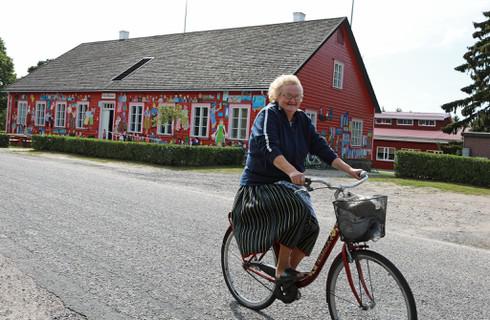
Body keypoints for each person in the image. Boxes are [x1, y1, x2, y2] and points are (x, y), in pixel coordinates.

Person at [230, 75, 363, 291]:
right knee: (297, 209)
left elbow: (321, 147)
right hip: (259, 186)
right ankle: (281, 270)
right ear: (276, 96)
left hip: (287, 185)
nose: (292, 100)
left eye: (297, 96)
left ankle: (288, 273)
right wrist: (292, 171)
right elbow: (268, 147)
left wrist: (350, 170)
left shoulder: (302, 120)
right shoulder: (268, 116)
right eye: (287, 96)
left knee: (312, 224)